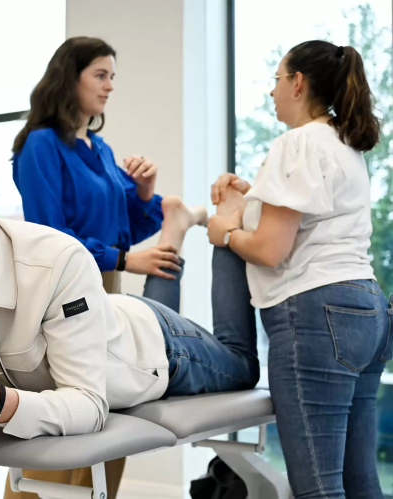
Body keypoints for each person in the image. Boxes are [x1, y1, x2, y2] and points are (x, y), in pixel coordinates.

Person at [0, 136, 259, 499]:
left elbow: (88, 405)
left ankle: (225, 227)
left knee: (243, 365)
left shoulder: (57, 261)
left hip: (161, 349)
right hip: (104, 322)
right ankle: (174, 226)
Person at [207, 41, 392, 499]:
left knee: (318, 489)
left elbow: (270, 250)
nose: (271, 93)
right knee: (359, 480)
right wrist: (252, 198)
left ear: (297, 83)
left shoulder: (298, 142)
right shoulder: (342, 143)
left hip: (318, 316)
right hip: (367, 311)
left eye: (275, 80)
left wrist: (224, 232)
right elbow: (305, 222)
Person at [12, 37, 206, 295]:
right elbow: (50, 237)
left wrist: (145, 190)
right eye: (100, 76)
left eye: (112, 76)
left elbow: (126, 230)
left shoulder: (101, 149)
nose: (110, 86)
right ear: (70, 79)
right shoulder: (41, 144)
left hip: (107, 279)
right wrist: (125, 260)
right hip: (66, 284)